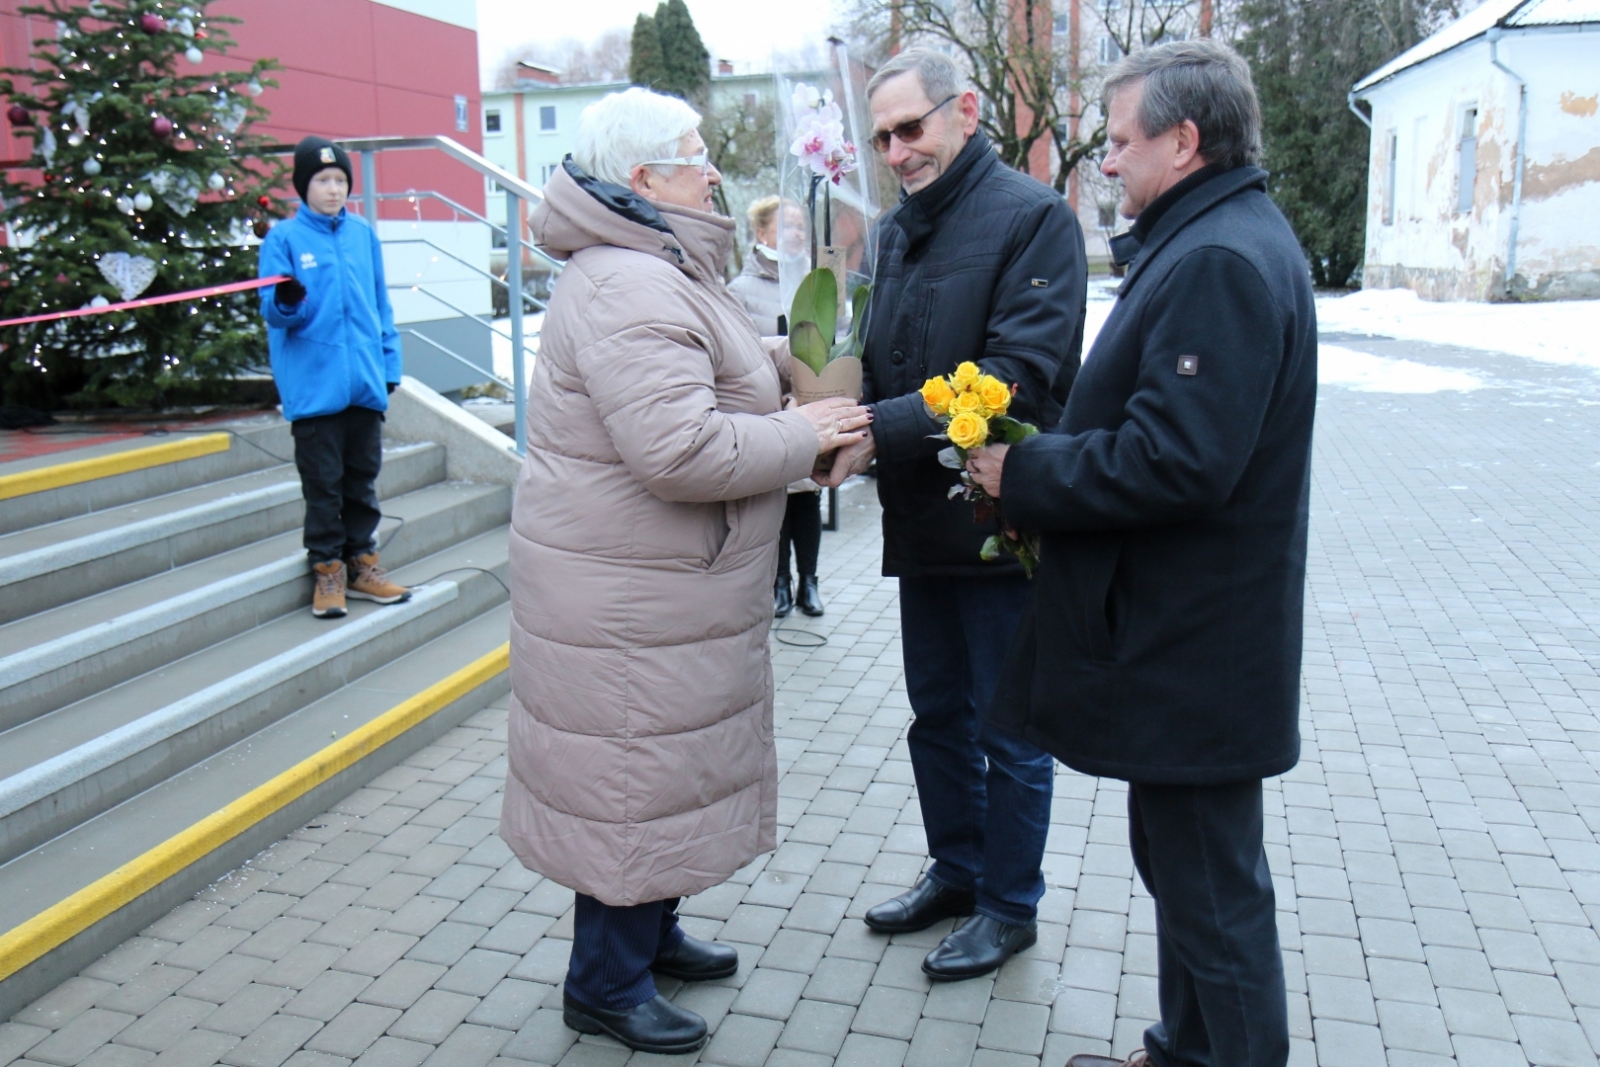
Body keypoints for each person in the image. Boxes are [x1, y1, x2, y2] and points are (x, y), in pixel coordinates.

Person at [499, 88, 870, 1056]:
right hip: (629, 598)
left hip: (655, 589)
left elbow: (717, 363)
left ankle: (650, 934)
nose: (713, 168)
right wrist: (801, 432)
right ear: (644, 179)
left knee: (657, 775)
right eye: (695, 153)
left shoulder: (656, 264)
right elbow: (677, 447)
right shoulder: (629, 281)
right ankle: (604, 981)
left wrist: (796, 359)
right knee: (632, 778)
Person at [966, 40, 1315, 1067]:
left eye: (1120, 141)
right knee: (1183, 869)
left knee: (1212, 890)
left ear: (1184, 138)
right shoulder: (1211, 238)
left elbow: (1177, 460)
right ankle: (1184, 1051)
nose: (1107, 162)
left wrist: (1021, 475)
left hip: (1197, 645)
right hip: (1188, 636)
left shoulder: (1217, 257)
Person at [816, 48, 1088, 980]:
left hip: (996, 519)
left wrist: (874, 430)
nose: (895, 150)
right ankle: (959, 867)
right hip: (919, 519)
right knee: (937, 714)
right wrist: (821, 400)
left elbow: (1016, 374)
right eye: (883, 135)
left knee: (1007, 726)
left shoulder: (1033, 220)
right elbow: (882, 357)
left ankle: (1009, 902)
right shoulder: (893, 234)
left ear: (964, 111)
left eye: (911, 128)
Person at [260, 136, 409, 620]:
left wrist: (388, 366)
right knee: (323, 485)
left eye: (340, 180)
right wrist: (287, 300)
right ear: (303, 186)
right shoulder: (283, 240)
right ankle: (327, 571)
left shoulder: (363, 234)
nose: (332, 189)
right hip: (315, 387)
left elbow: (379, 305)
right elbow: (276, 314)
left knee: (361, 481)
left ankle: (364, 564)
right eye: (322, 180)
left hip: (363, 382)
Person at [728, 196, 827, 619]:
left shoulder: (817, 281)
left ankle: (810, 582)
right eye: (787, 225)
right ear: (762, 233)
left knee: (808, 500)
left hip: (809, 404)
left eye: (801, 225)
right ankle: (779, 583)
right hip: (767, 413)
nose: (797, 233)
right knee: (776, 502)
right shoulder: (739, 290)